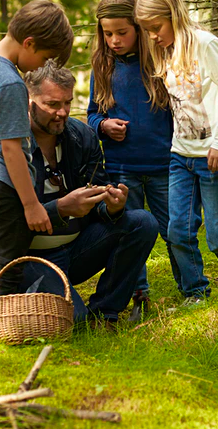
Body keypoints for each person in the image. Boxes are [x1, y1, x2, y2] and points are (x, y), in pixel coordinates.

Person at [134, 0, 218, 304]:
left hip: (214, 155)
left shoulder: (205, 44)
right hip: (181, 156)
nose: (152, 36)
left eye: (156, 28)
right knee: (178, 231)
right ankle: (196, 294)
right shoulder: (165, 51)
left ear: (174, 15)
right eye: (146, 30)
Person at [19, 61, 158, 327]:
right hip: (28, 255)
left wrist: (113, 207)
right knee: (75, 322)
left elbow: (98, 202)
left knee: (142, 222)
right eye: (52, 104)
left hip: (76, 249)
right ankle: (78, 312)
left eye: (67, 103)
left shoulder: (81, 136)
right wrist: (60, 209)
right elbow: (4, 220)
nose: (62, 113)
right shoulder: (14, 145)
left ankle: (106, 312)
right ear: (29, 100)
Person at [0, 0, 73, 297]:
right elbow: (11, 150)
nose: (42, 67)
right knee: (7, 268)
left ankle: (2, 318)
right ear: (29, 43)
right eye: (45, 57)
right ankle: (2, 328)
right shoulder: (10, 83)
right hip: (0, 184)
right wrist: (31, 204)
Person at [86, 0, 174, 321]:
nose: (114, 40)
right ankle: (139, 298)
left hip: (165, 165)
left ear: (138, 27)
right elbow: (92, 114)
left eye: (121, 32)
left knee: (174, 230)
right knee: (131, 232)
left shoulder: (160, 63)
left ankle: (191, 291)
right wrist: (104, 125)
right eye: (107, 34)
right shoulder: (103, 66)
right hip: (122, 168)